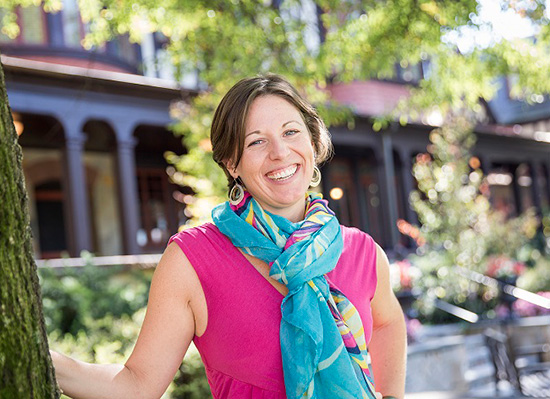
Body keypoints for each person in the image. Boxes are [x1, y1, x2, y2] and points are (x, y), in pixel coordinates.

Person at [51, 74, 407, 399]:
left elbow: (389, 321)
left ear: (313, 143)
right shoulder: (193, 260)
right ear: (231, 163)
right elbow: (136, 385)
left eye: (290, 132)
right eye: (256, 142)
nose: (279, 152)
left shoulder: (361, 250)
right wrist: (38, 353)